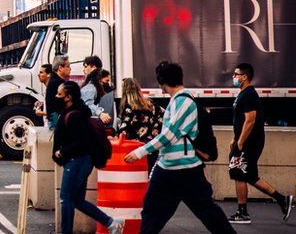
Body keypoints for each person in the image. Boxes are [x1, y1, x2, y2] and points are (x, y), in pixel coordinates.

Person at [123, 61, 235, 234]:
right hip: (173, 167)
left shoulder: (183, 102)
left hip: (183, 169)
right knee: (154, 211)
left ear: (162, 82)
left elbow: (169, 135)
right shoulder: (179, 100)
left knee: (205, 212)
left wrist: (140, 152)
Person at [52, 81, 125, 234]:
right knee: (77, 200)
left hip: (77, 161)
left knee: (66, 198)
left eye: (59, 94)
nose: (56, 96)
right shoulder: (75, 112)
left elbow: (82, 142)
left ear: (68, 97)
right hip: (81, 161)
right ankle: (111, 223)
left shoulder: (73, 116)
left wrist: (62, 152)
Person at [227, 63, 293, 224]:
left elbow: (250, 120)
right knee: (249, 176)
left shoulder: (249, 94)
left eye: (236, 74)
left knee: (238, 173)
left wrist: (240, 143)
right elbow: (241, 120)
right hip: (245, 141)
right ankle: (282, 200)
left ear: (244, 77)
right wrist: (234, 139)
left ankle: (242, 213)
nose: (233, 77)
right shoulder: (243, 94)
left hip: (249, 143)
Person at [116, 77, 164, 173]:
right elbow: (163, 116)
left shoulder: (129, 108)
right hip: (151, 147)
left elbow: (123, 130)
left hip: (135, 150)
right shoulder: (151, 104)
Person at [45, 57, 69, 129]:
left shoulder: (54, 79)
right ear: (60, 68)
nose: (70, 69)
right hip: (56, 117)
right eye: (68, 66)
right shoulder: (58, 83)